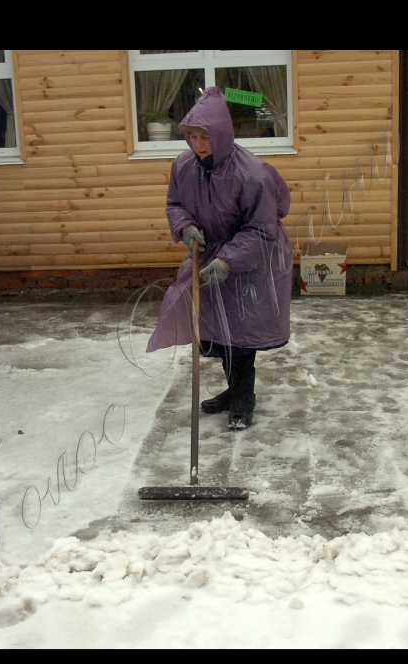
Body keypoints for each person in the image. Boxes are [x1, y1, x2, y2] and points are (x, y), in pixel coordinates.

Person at [147, 86, 293, 430]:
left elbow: (261, 229)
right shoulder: (183, 167)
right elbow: (175, 204)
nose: (199, 145)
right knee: (215, 335)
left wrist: (228, 261)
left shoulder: (251, 173)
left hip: (253, 259)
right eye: (194, 136)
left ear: (223, 134)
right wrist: (185, 227)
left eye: (206, 137)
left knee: (241, 336)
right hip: (209, 254)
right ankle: (233, 391)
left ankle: (243, 402)